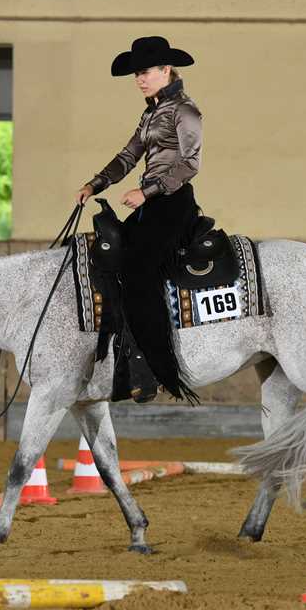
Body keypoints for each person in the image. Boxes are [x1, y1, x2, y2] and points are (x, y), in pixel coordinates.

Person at [74, 36, 202, 404]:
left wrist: (147, 192)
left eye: (145, 72)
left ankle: (152, 366)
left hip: (172, 203)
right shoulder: (151, 114)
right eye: (136, 75)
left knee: (138, 270)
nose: (139, 80)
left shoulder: (185, 111)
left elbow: (190, 163)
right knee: (109, 258)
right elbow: (128, 156)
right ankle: (122, 351)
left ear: (166, 69)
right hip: (152, 205)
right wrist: (95, 183)